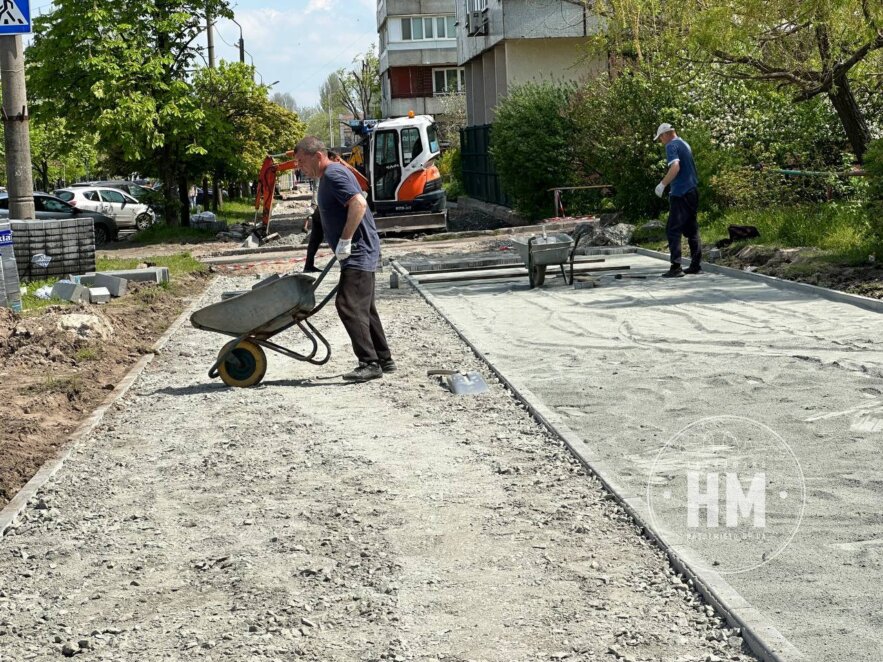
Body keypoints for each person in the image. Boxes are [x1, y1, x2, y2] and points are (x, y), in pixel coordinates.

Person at [294, 136, 395, 382]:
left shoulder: (333, 175)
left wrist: (346, 240)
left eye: (301, 161)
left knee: (348, 304)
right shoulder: (329, 177)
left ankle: (369, 363)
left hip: (359, 250)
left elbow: (359, 204)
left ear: (317, 156)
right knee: (364, 306)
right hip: (360, 249)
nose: (299, 167)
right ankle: (383, 358)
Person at [653, 123, 702, 278]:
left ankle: (676, 267)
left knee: (673, 230)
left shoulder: (671, 145)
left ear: (665, 134)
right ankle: (695, 265)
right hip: (692, 191)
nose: (661, 141)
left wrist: (662, 184)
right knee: (691, 230)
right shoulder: (684, 143)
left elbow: (675, 166)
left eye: (660, 138)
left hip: (680, 193)